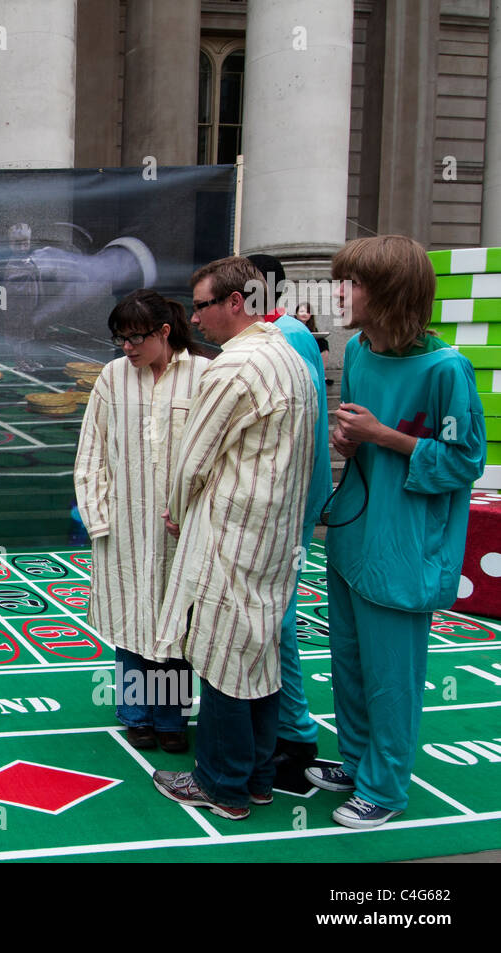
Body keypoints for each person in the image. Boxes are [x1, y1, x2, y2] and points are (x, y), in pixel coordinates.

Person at [307, 235, 485, 828]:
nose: (339, 292)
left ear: (388, 293)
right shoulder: (358, 351)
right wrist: (349, 439)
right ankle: (357, 763)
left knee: (393, 676)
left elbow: (464, 462)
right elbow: (355, 437)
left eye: (351, 283)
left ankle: (384, 790)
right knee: (350, 661)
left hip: (405, 543)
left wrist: (386, 436)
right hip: (354, 530)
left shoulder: (446, 369)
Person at [149, 256, 317, 820]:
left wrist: (175, 509)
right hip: (278, 532)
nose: (193, 319)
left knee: (221, 657)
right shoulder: (289, 356)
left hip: (233, 531)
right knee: (259, 654)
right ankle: (259, 777)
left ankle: (221, 785)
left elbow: (193, 459)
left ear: (236, 302)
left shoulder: (233, 367)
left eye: (200, 306)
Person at [75, 290, 209, 753]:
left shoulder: (204, 376)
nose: (126, 348)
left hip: (180, 529)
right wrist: (98, 517)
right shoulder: (112, 377)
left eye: (135, 338)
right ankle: (137, 714)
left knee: (175, 623)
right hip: (124, 525)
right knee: (132, 619)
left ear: (164, 332)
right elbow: (91, 450)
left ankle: (171, 718)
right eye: (120, 339)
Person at [246, 253, 332, 787]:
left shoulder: (290, 335)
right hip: (282, 499)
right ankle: (276, 724)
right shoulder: (281, 332)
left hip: (289, 501)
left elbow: (297, 432)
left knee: (275, 619)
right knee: (268, 617)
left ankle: (294, 736)